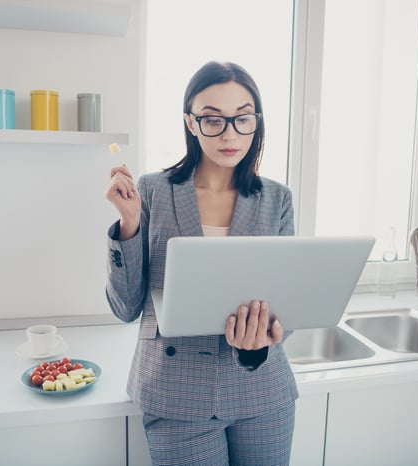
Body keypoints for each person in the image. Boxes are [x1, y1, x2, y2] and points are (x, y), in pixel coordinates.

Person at [105, 61, 298, 466]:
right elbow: (126, 307)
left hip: (263, 392)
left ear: (256, 122)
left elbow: (286, 305)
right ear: (191, 123)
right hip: (176, 396)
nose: (229, 133)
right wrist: (129, 223)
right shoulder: (151, 191)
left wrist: (262, 339)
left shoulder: (276, 199)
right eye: (213, 120)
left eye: (242, 118)